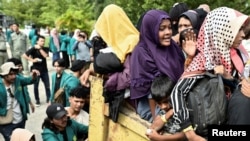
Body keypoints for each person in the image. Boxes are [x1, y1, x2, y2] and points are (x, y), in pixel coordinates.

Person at [170, 7, 249, 141]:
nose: (242, 35)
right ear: (222, 31)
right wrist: (190, 134)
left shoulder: (232, 58)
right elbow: (177, 93)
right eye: (238, 29)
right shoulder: (203, 61)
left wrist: (229, 79)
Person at [130, 9, 185, 122]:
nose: (168, 32)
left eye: (169, 27)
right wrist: (157, 121)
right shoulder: (142, 52)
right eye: (161, 29)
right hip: (154, 107)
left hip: (173, 101)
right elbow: (152, 90)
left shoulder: (173, 47)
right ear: (151, 30)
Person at [0, 62, 40, 141]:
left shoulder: (18, 80)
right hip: (6, 122)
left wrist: (34, 76)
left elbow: (29, 80)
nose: (14, 76)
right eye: (11, 74)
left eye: (15, 74)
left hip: (20, 119)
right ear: (4, 75)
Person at [146, 76, 186, 141]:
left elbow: (185, 135)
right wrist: (167, 115)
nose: (163, 106)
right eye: (159, 103)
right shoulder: (164, 112)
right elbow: (152, 128)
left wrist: (160, 138)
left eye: (166, 101)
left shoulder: (183, 110)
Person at [22, 35, 51, 106]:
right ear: (37, 41)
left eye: (43, 41)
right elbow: (24, 55)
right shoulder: (33, 49)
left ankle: (49, 98)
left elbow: (45, 56)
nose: (43, 42)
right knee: (36, 86)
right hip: (36, 70)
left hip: (44, 70)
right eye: (41, 41)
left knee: (47, 85)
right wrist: (32, 60)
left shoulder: (45, 48)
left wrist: (40, 49)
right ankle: (37, 100)